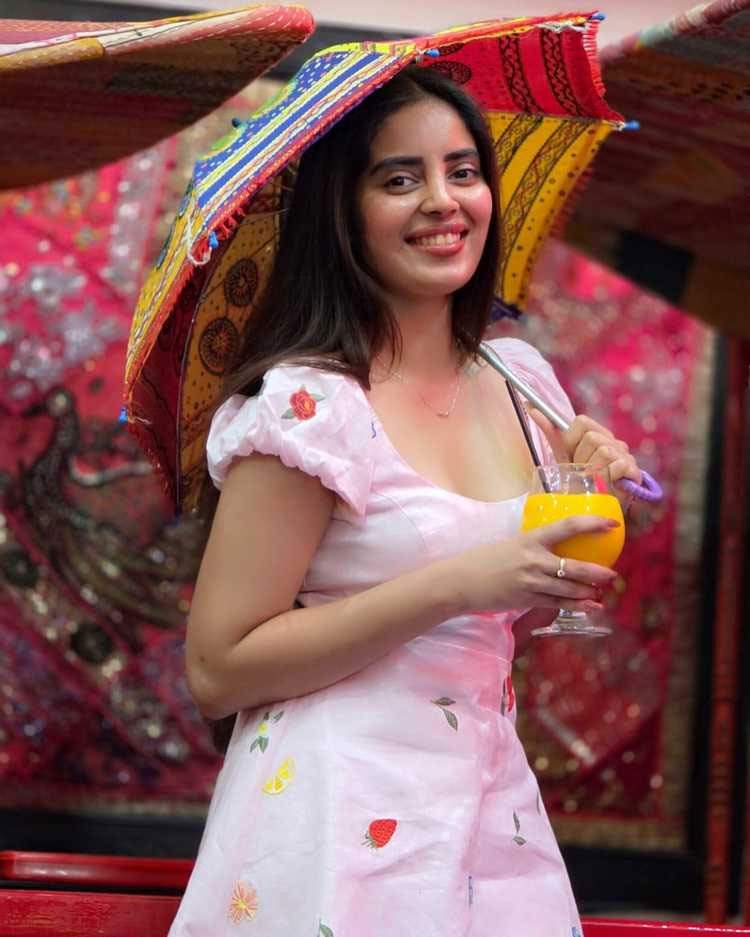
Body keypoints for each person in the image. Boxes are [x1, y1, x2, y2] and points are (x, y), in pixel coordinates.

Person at [172, 65, 642, 936]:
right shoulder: (311, 405)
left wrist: (582, 518)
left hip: (491, 811)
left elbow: (510, 616)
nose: (443, 201)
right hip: (336, 818)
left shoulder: (521, 382)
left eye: (463, 171)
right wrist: (461, 581)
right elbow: (218, 668)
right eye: (399, 179)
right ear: (342, 210)